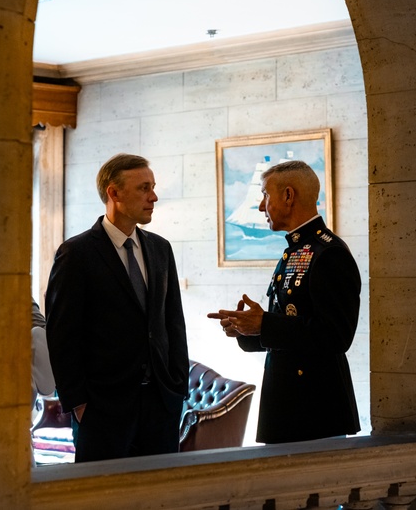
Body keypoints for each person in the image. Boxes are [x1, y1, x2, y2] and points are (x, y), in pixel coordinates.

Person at [45, 153, 189, 462]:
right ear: (114, 193)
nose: (154, 196)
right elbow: (61, 336)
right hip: (102, 410)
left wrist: (177, 389)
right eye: (144, 188)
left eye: (153, 187)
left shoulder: (160, 248)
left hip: (161, 407)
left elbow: (173, 323)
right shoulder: (76, 253)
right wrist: (79, 404)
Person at [208, 160, 360, 444]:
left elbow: (336, 336)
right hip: (286, 407)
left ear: (288, 196)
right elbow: (289, 328)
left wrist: (265, 323)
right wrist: (247, 330)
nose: (260, 206)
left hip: (315, 412)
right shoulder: (296, 250)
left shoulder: (329, 253)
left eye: (265, 195)